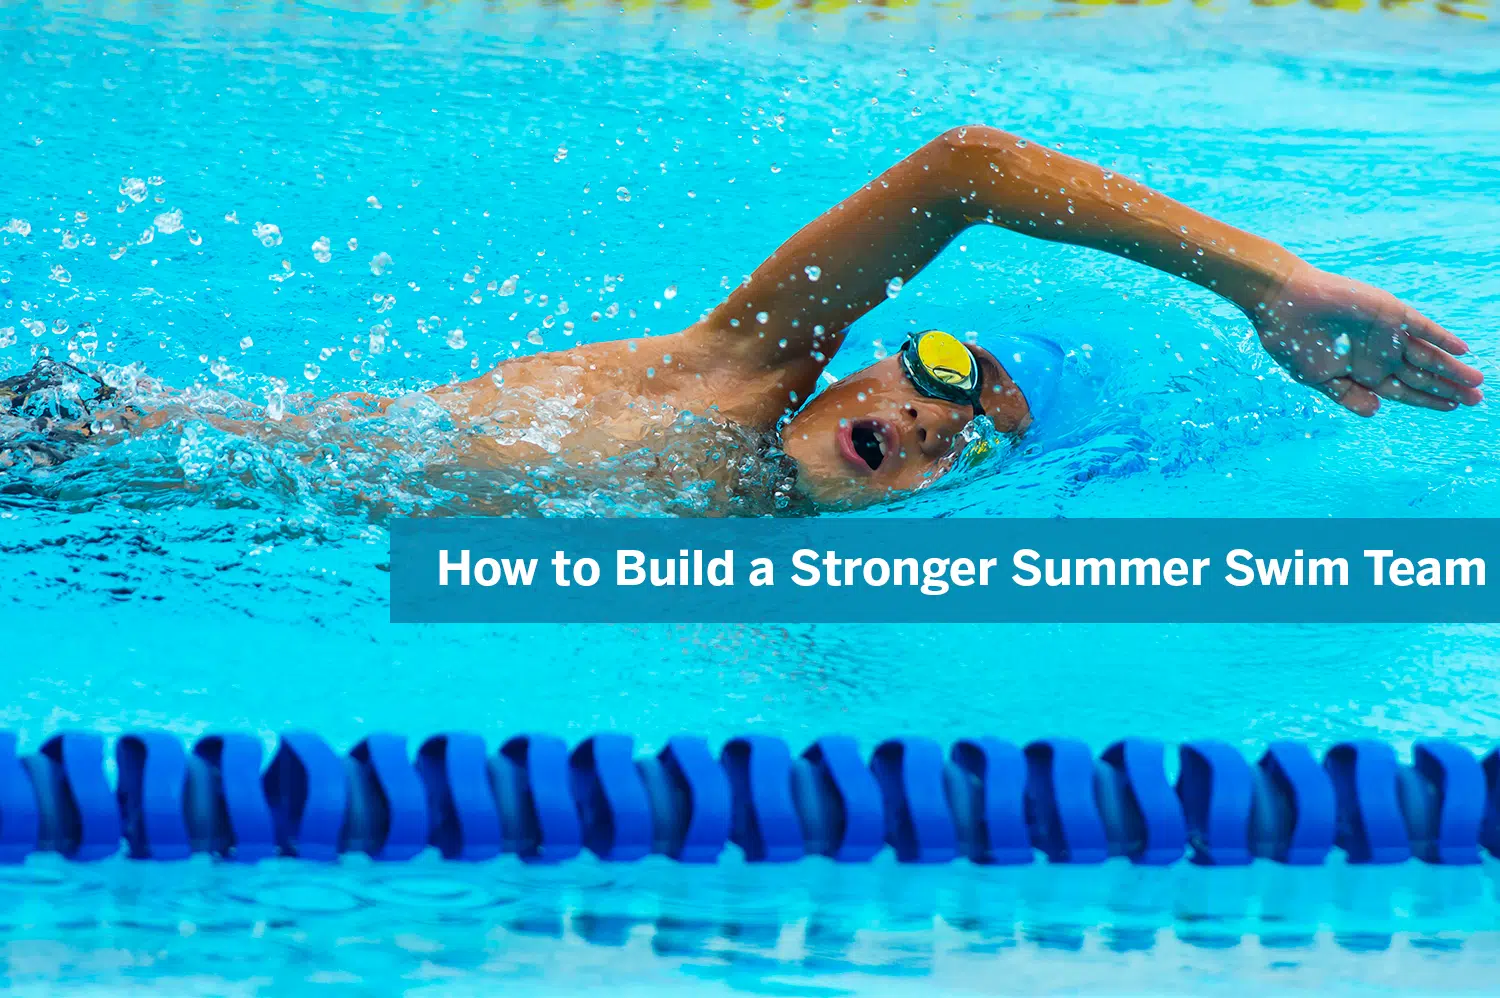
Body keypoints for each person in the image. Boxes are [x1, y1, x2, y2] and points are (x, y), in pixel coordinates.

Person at [2, 125, 1485, 512]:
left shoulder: (762, 532)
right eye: (933, 376)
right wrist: (1265, 282)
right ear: (860, 354)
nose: (917, 420)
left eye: (947, 448)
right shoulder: (737, 373)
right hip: (85, 447)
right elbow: (968, 169)